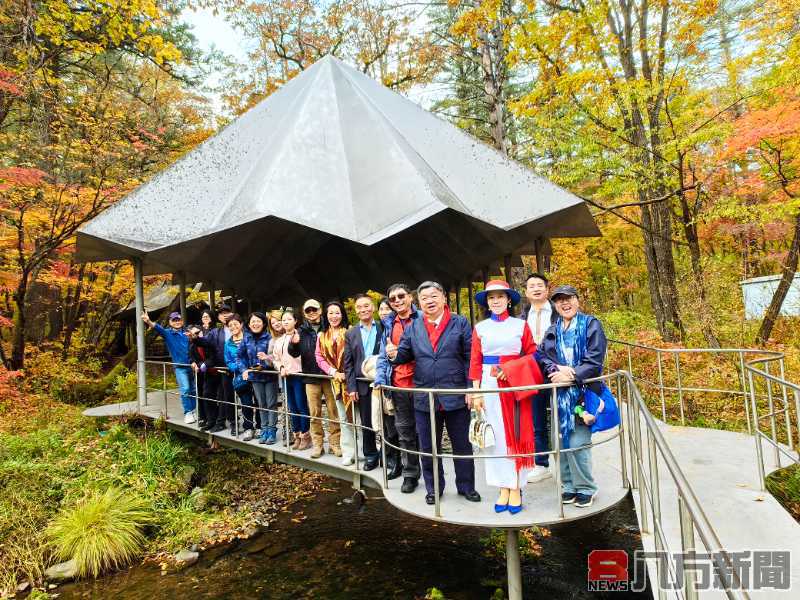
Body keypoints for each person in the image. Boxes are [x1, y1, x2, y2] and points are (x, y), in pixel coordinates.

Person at [388, 281, 480, 505]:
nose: (429, 301)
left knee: (462, 444)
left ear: (443, 298)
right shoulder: (413, 327)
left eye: (433, 296)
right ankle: (434, 488)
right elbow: (404, 356)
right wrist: (393, 354)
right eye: (424, 298)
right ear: (419, 303)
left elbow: (471, 356)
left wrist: (471, 387)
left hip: (455, 392)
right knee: (429, 447)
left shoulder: (460, 322)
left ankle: (466, 486)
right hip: (424, 395)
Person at [469, 280, 543, 514]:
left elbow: (533, 355)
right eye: (492, 298)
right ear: (487, 303)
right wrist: (476, 391)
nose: (496, 301)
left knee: (515, 434)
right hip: (489, 385)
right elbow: (475, 361)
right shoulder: (480, 328)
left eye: (501, 296)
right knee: (494, 436)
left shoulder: (520, 326)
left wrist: (511, 369)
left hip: (513, 384)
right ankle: (502, 486)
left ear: (509, 300)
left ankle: (515, 487)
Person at [536, 285, 607, 508]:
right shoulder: (553, 328)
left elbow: (595, 358)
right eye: (560, 301)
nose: (565, 303)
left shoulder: (591, 324)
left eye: (569, 299)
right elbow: (543, 355)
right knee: (561, 440)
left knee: (578, 441)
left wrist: (572, 373)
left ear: (577, 300)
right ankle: (568, 486)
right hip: (559, 394)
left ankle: (586, 487)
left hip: (582, 392)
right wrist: (554, 371)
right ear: (555, 305)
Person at [344, 294, 400, 475]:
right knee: (367, 422)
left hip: (384, 382)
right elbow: (348, 363)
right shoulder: (351, 333)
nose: (363, 309)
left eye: (367, 306)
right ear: (355, 311)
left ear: (373, 308)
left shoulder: (385, 326)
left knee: (388, 422)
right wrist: (351, 387)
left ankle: (389, 455)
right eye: (359, 307)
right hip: (362, 384)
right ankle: (370, 455)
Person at [375, 283, 422, 493]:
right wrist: (380, 377)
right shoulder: (388, 324)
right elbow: (383, 356)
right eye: (392, 299)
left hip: (422, 384)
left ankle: (432, 473)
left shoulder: (422, 318)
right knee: (404, 431)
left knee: (426, 431)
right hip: (399, 385)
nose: (397, 301)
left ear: (410, 297)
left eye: (401, 296)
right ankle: (410, 474)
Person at [288, 299, 341, 459]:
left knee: (334, 411)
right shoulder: (301, 330)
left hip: (329, 375)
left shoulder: (329, 326)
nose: (311, 312)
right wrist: (294, 344)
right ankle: (318, 444)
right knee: (314, 412)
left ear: (320, 310)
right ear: (304, 313)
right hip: (310, 376)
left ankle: (335, 443)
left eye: (314, 309)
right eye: (308, 310)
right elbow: (294, 353)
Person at [520, 273, 557, 483]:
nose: (535, 288)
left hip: (556, 370)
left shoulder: (558, 313)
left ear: (547, 289)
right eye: (531, 286)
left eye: (539, 285)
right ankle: (541, 463)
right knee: (536, 419)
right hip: (532, 371)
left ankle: (568, 462)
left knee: (564, 415)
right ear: (526, 292)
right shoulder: (521, 318)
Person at [315, 301, 356, 466]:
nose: (334, 316)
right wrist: (333, 372)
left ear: (343, 314)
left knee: (358, 419)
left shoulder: (351, 331)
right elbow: (319, 357)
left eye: (337, 312)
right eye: (330, 313)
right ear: (326, 315)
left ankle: (363, 451)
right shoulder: (322, 336)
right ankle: (348, 452)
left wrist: (348, 373)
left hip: (352, 380)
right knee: (344, 418)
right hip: (336, 382)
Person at [141, 310, 196, 424]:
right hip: (180, 367)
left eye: (178, 320)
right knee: (185, 389)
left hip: (192, 365)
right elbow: (158, 328)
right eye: (174, 320)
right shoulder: (168, 333)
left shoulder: (187, 332)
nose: (177, 322)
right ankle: (188, 412)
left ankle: (194, 410)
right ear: (170, 322)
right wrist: (148, 321)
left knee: (193, 390)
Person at [273, 309, 311, 450]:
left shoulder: (300, 337)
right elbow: (276, 359)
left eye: (289, 319)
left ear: (295, 321)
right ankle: (297, 436)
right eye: (283, 320)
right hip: (285, 377)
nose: (286, 322)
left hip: (299, 376)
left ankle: (306, 436)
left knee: (302, 406)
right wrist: (281, 367)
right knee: (292, 407)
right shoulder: (279, 340)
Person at [194, 304, 235, 433]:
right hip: (216, 368)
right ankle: (212, 421)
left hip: (231, 369)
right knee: (207, 394)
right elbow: (204, 342)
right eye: (222, 313)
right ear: (218, 317)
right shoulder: (215, 332)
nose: (225, 315)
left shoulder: (238, 329)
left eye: (227, 312)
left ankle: (229, 422)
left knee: (227, 396)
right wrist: (195, 338)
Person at [239, 312, 278, 444]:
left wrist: (266, 360)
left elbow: (276, 357)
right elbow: (240, 357)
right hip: (255, 377)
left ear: (264, 323)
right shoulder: (246, 338)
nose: (255, 324)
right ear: (249, 325)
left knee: (271, 404)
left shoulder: (269, 337)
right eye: (252, 322)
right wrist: (244, 369)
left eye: (258, 321)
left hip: (269, 375)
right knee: (261, 404)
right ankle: (264, 429)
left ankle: (272, 430)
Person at [224, 314, 256, 438]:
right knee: (246, 403)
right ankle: (248, 428)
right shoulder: (228, 343)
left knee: (258, 401)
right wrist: (239, 367)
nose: (233, 327)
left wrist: (248, 367)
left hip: (255, 374)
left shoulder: (250, 338)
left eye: (235, 324)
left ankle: (260, 427)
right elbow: (228, 361)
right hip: (240, 377)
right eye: (230, 325)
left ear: (241, 324)